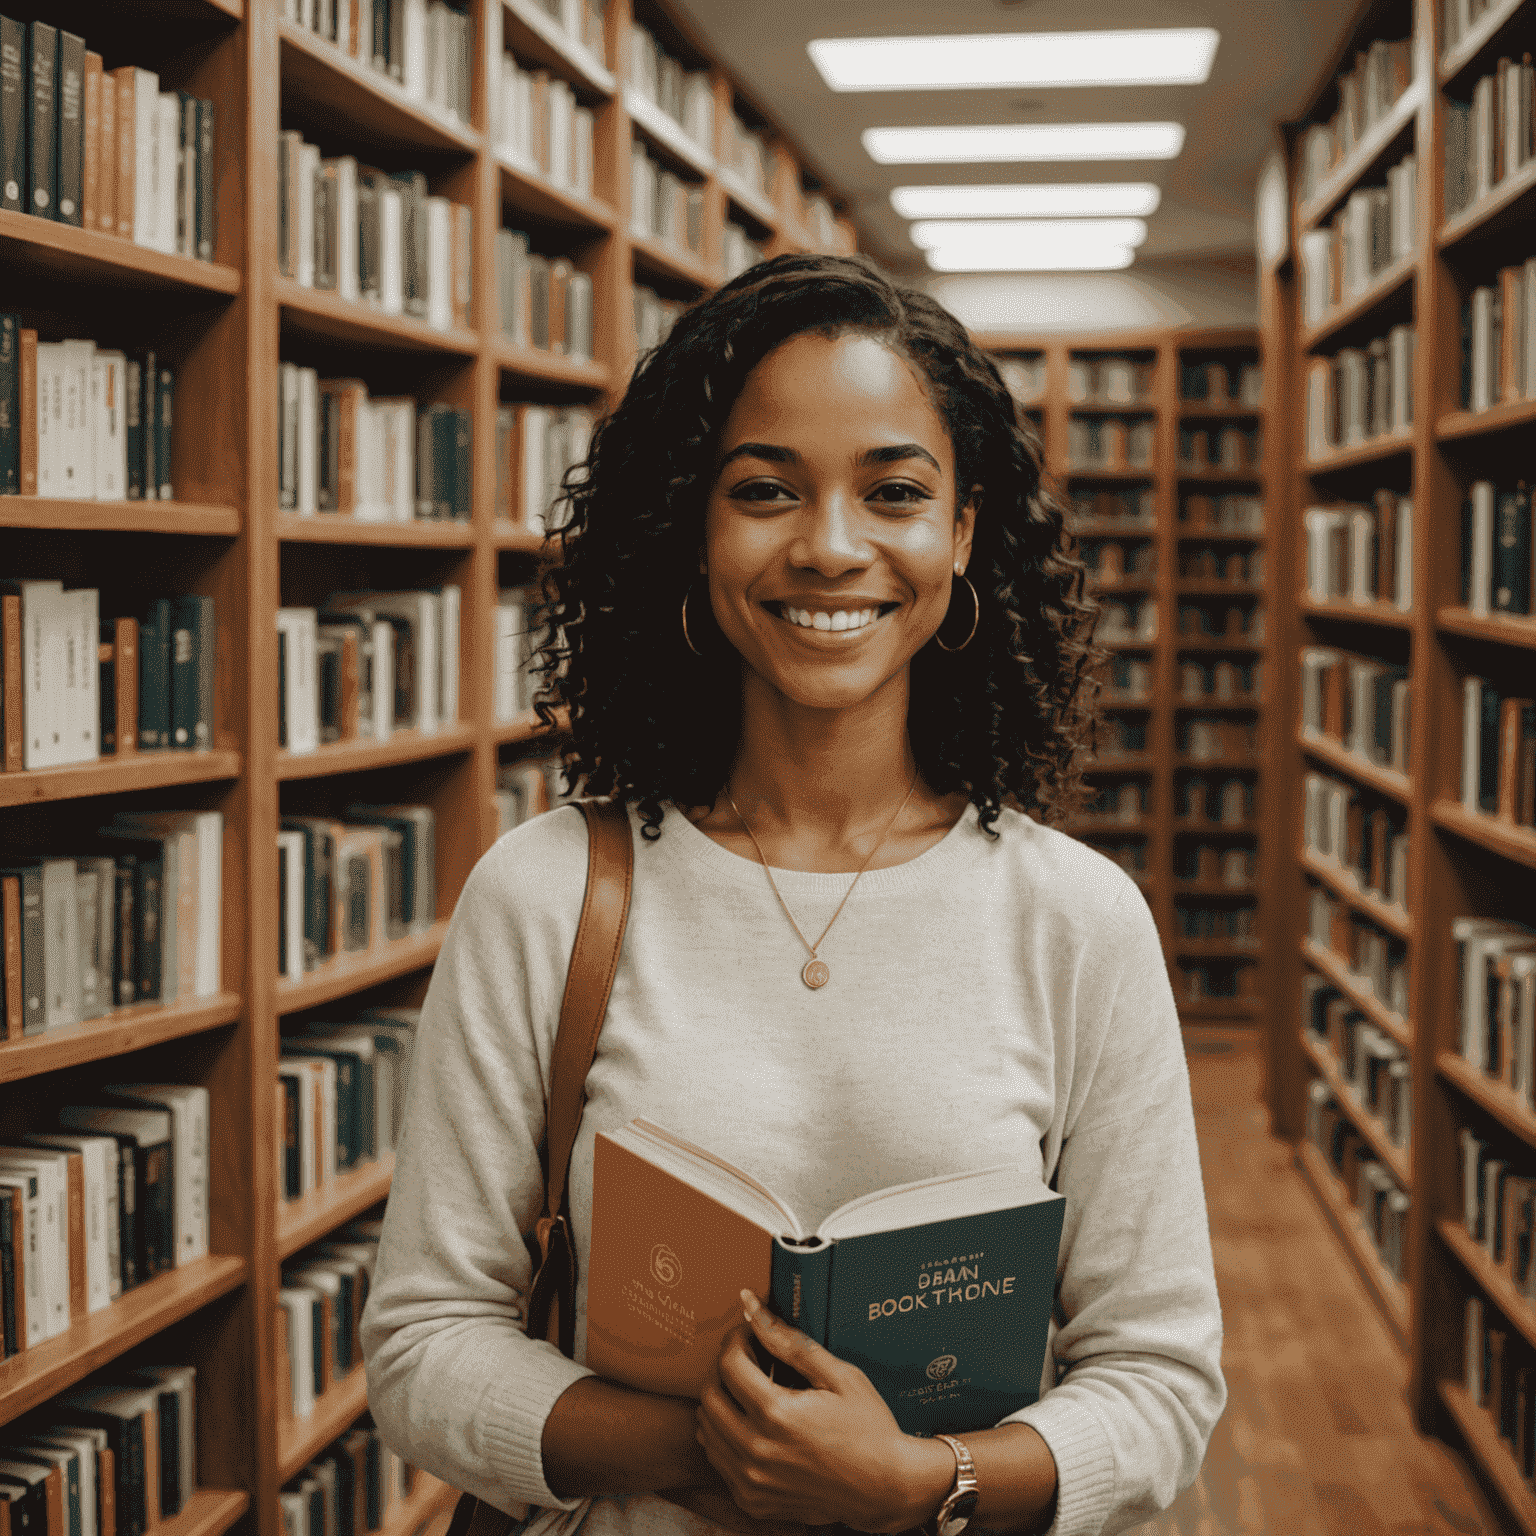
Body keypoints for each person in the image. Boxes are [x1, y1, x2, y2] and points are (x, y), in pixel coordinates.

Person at [362, 253, 1225, 1536]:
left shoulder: (1077, 919)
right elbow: (424, 1346)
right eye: (765, 491)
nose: (830, 547)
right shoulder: (546, 895)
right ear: (693, 531)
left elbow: (1162, 1380)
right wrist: (727, 1452)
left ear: (963, 533)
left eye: (894, 493)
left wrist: (920, 1485)